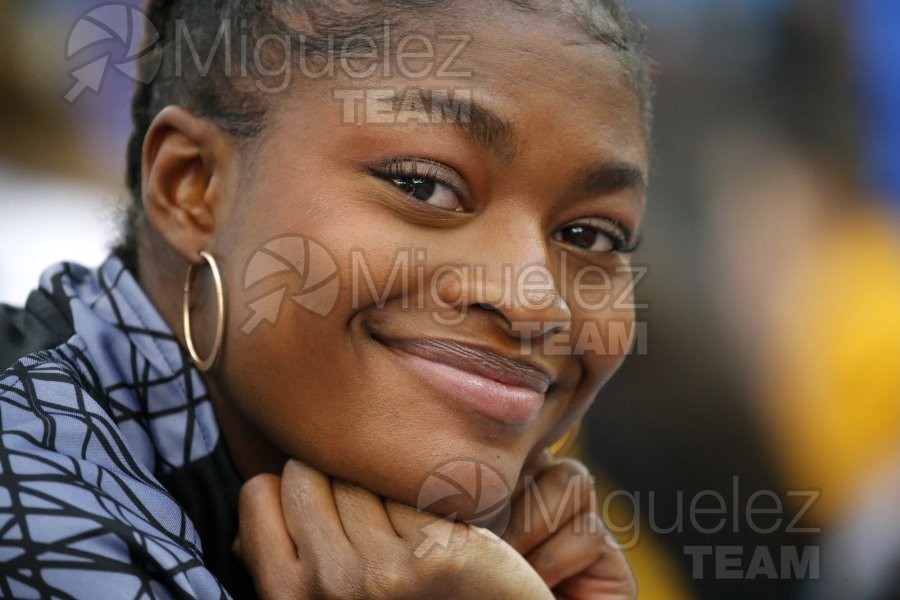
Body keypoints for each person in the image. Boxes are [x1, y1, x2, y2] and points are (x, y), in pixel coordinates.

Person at [0, 0, 653, 597]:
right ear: (192, 187)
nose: (536, 304)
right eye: (424, 186)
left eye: (590, 235)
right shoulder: (32, 505)